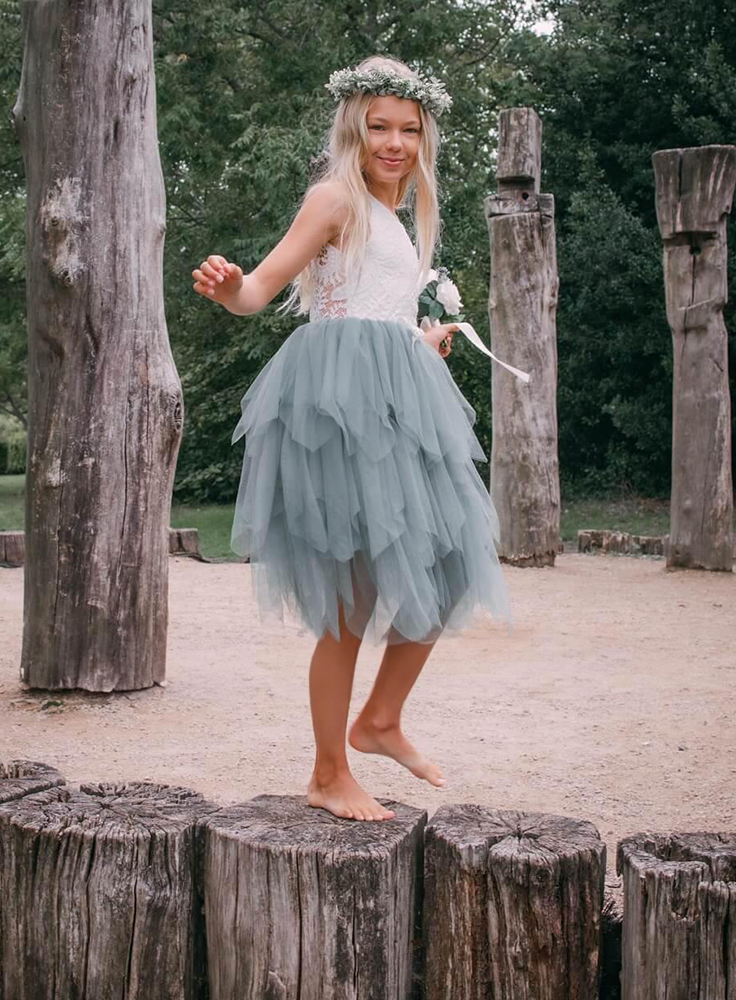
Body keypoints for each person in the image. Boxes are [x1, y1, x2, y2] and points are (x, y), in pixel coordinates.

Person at [191, 55, 510, 821]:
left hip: (398, 395)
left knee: (453, 561)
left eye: (409, 129)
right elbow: (262, 291)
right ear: (354, 130)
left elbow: (377, 304)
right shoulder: (335, 196)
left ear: (425, 137)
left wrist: (419, 342)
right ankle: (329, 771)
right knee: (350, 597)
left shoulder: (396, 215)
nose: (394, 142)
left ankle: (380, 721)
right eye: (379, 127)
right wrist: (232, 287)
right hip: (337, 402)